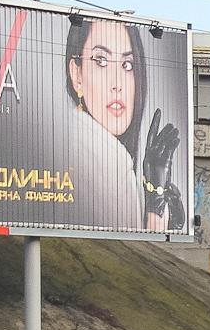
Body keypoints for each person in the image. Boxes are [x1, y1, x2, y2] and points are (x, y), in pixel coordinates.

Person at [65, 16, 184, 232]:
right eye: (101, 60)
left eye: (127, 65)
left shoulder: (115, 161)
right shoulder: (95, 161)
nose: (117, 84)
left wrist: (155, 196)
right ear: (77, 74)